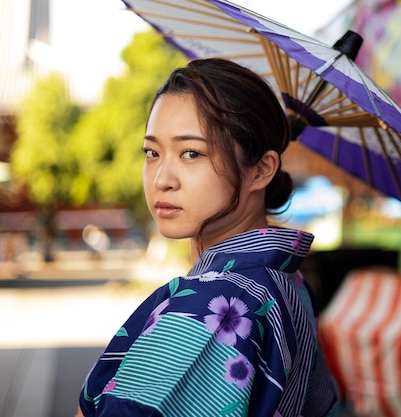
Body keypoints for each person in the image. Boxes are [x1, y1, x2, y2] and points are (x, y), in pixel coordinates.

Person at [78, 58, 340, 417]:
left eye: (191, 153)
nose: (161, 179)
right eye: (152, 152)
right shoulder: (290, 284)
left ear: (261, 169)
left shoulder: (217, 305)